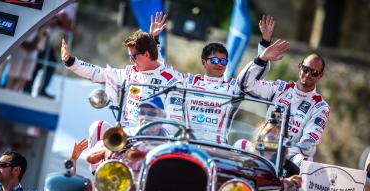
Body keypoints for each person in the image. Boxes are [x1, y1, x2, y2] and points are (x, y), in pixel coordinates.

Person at [149, 12, 275, 144]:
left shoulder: (233, 87)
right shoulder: (189, 82)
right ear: (204, 62)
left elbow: (254, 76)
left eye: (224, 61)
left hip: (218, 150)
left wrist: (265, 43)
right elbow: (161, 69)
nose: (220, 64)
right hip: (188, 147)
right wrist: (154, 38)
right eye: (215, 60)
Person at [61, 29, 183, 131]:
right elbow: (98, 73)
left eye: (133, 56)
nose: (131, 60)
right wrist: (70, 61)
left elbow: (173, 120)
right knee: (97, 128)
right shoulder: (129, 73)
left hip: (153, 138)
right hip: (125, 135)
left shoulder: (171, 81)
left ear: (146, 54)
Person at [237, 40, 330, 161]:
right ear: (299, 67)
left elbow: (309, 139)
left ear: (320, 76)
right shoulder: (280, 88)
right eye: (306, 69)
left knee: (305, 159)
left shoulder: (320, 106)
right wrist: (262, 58)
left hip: (289, 156)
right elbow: (245, 84)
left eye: (314, 72)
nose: (308, 75)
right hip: (264, 147)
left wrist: (284, 151)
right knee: (240, 145)